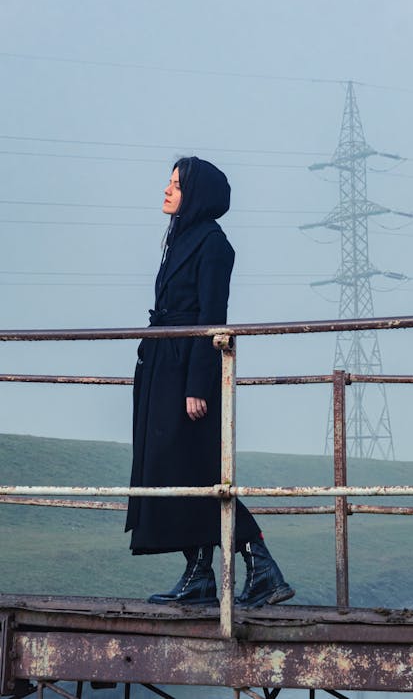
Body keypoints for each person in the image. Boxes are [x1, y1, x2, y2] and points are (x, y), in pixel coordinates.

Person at [125, 156, 294, 608]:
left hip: (187, 371)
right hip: (162, 364)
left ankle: (262, 566)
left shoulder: (213, 245)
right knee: (174, 469)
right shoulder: (180, 237)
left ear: (195, 195)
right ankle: (200, 574)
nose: (166, 190)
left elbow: (211, 319)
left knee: (197, 472)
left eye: (176, 185)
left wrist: (197, 385)